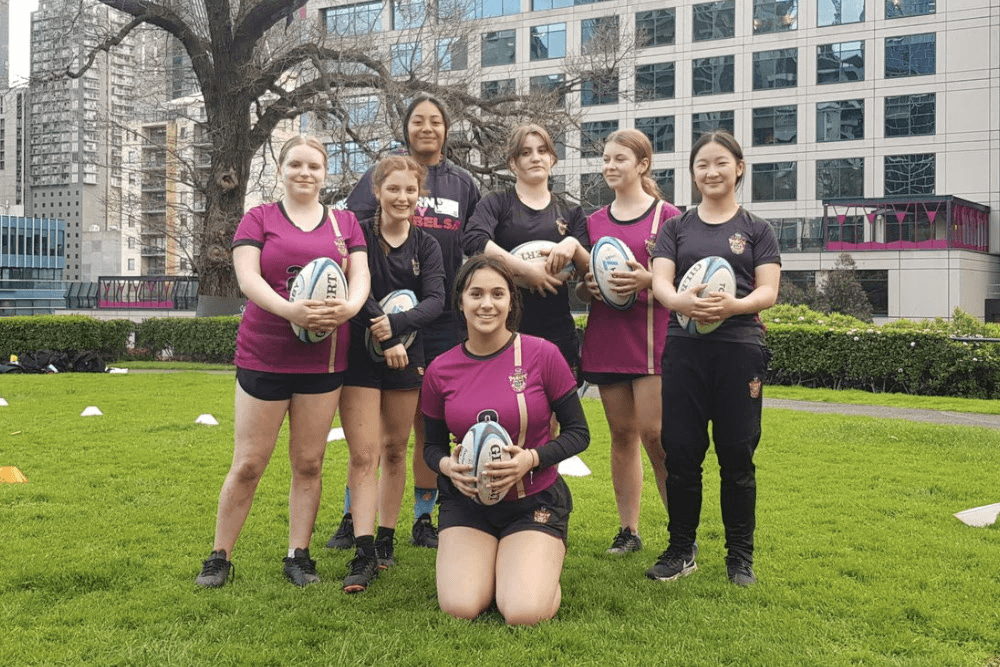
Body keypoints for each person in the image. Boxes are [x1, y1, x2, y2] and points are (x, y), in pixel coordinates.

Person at [195, 135, 370, 588]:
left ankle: (299, 556)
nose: (305, 173)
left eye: (314, 165)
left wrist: (348, 310)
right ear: (280, 169)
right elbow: (247, 277)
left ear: (325, 171)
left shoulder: (345, 223)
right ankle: (219, 556)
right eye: (295, 164)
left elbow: (360, 278)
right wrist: (289, 310)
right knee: (249, 462)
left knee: (309, 463)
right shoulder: (259, 218)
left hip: (324, 361)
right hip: (265, 355)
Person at [329, 94, 481, 549]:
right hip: (374, 317)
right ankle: (352, 515)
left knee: (426, 423)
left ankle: (420, 517)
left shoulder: (463, 184)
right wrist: (381, 319)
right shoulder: (383, 173)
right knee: (368, 431)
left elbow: (478, 241)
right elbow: (350, 239)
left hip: (438, 319)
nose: (428, 128)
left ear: (446, 129)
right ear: (407, 127)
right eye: (419, 120)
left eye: (436, 121)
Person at [421, 255, 589, 625]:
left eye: (498, 294)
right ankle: (501, 564)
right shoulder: (440, 370)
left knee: (522, 611)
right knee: (461, 606)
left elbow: (580, 433)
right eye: (476, 293)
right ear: (460, 301)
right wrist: (448, 466)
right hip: (468, 504)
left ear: (511, 301)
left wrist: (530, 459)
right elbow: (430, 448)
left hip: (533, 501)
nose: (486, 303)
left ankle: (537, 565)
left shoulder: (542, 355)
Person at [648, 130, 781, 586]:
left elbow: (769, 290)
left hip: (740, 349)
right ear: (692, 172)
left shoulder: (757, 229)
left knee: (737, 454)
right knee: (681, 452)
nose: (711, 171)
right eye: (702, 164)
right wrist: (681, 302)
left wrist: (734, 307)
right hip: (684, 350)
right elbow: (661, 283)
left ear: (739, 168)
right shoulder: (676, 228)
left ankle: (739, 557)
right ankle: (681, 549)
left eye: (721, 162)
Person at [339, 155, 446, 593]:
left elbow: (437, 300)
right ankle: (362, 551)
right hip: (362, 358)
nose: (403, 197)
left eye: (410, 190)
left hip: (408, 354)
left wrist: (399, 330)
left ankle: (386, 539)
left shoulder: (427, 245)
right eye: (394, 189)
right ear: (378, 191)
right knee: (364, 454)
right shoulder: (358, 235)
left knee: (396, 450)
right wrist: (383, 335)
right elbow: (354, 289)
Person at [577, 129, 681, 555]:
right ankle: (629, 531)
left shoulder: (669, 217)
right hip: (608, 338)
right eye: (606, 159)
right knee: (622, 435)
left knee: (655, 436)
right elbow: (582, 290)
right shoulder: (593, 222)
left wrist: (648, 279)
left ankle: (681, 533)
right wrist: (589, 286)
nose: (610, 166)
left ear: (642, 165)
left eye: (620, 158)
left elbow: (683, 281)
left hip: (653, 341)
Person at [462, 124, 589, 382]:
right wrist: (528, 273)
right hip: (504, 327)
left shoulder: (572, 212)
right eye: (526, 152)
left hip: (556, 328)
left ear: (552, 159)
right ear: (513, 163)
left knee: (553, 414)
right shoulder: (496, 203)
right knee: (506, 410)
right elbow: (474, 240)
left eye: (543, 151)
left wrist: (574, 245)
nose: (536, 157)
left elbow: (591, 271)